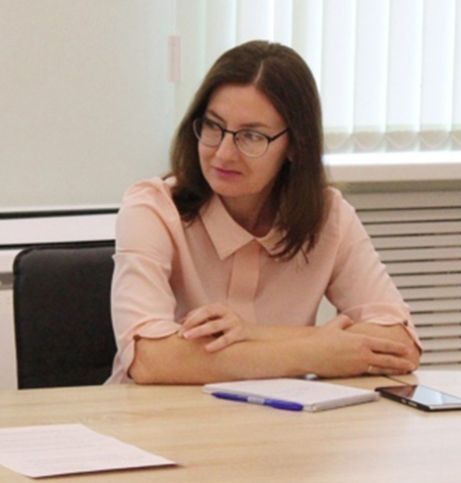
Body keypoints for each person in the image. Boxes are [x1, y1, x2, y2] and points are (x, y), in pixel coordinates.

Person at [107, 40, 421, 385]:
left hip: (279, 416)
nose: (223, 153)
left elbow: (401, 344)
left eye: (252, 136)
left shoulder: (329, 216)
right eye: (213, 126)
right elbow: (151, 360)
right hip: (156, 416)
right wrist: (313, 352)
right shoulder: (152, 209)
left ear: (295, 145)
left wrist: (256, 334)